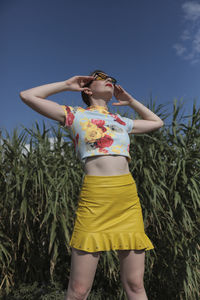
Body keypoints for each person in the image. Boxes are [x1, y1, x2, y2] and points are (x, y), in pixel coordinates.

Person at [20, 70, 164, 300]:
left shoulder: (121, 121)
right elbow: (27, 95)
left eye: (113, 80)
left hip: (127, 198)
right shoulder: (75, 115)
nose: (110, 81)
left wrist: (131, 101)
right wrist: (67, 84)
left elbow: (157, 122)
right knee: (78, 290)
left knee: (135, 284)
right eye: (102, 77)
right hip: (95, 197)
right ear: (87, 89)